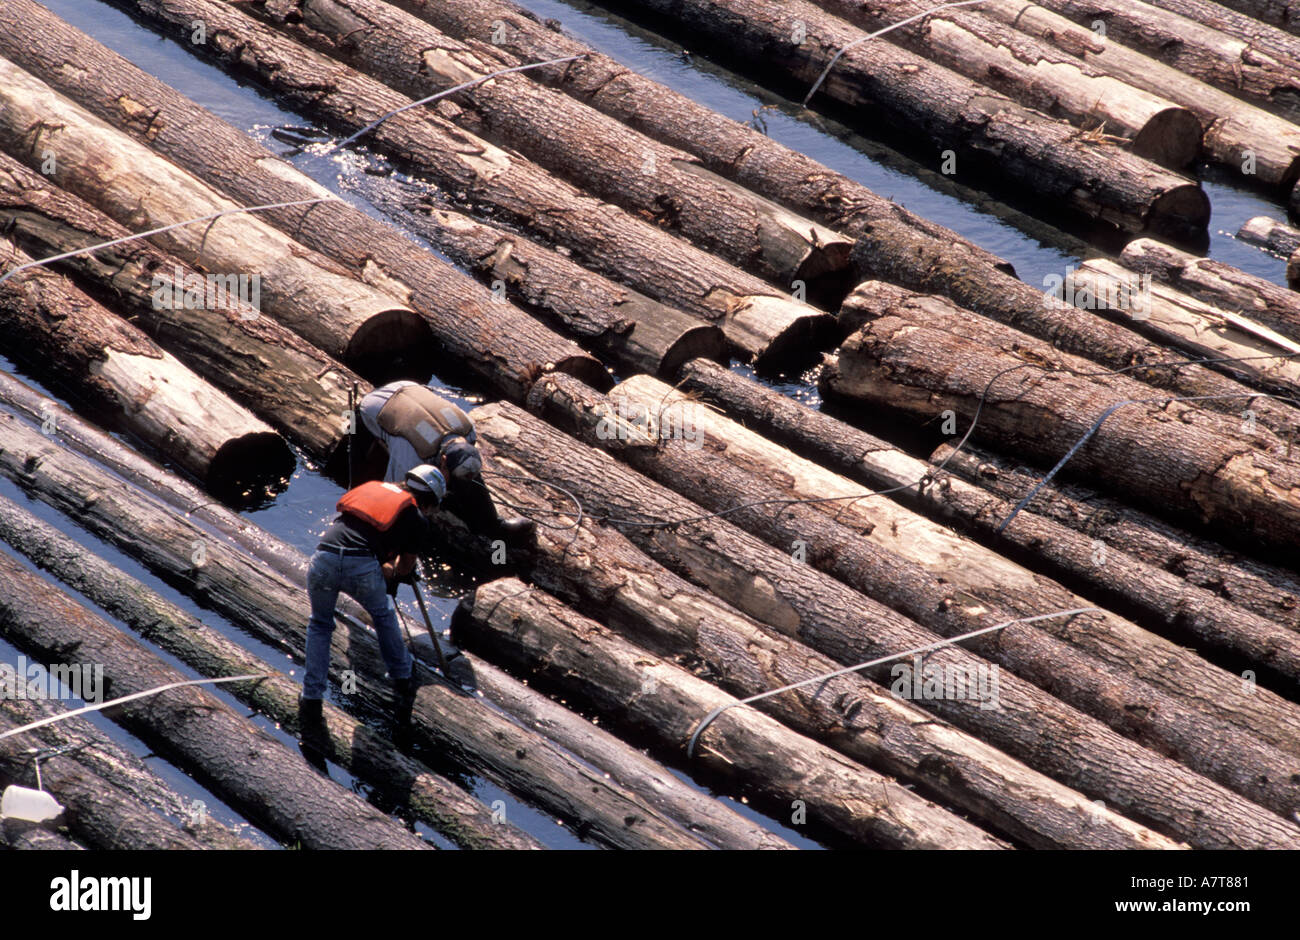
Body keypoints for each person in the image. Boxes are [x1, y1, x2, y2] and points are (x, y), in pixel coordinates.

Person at [298, 464, 447, 746]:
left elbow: (362, 534)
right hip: (360, 566)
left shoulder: (375, 487)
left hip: (323, 559)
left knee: (320, 625)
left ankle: (311, 698)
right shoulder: (416, 517)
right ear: (429, 500)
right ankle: (403, 676)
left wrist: (383, 564)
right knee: (383, 615)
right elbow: (404, 568)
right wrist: (391, 573)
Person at [358, 381, 534, 541]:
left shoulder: (468, 430)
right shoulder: (413, 456)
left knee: (467, 486)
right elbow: (393, 492)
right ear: (443, 461)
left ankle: (493, 525)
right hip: (375, 406)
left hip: (410, 387)